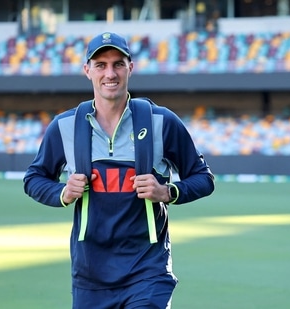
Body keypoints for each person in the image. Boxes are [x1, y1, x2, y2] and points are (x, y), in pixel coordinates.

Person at [23, 32, 215, 309]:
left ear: (130, 68)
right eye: (100, 65)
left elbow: (203, 178)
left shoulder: (161, 121)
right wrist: (62, 192)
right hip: (91, 275)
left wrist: (168, 191)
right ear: (87, 70)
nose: (110, 73)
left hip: (148, 270)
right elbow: (33, 179)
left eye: (118, 64)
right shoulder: (65, 126)